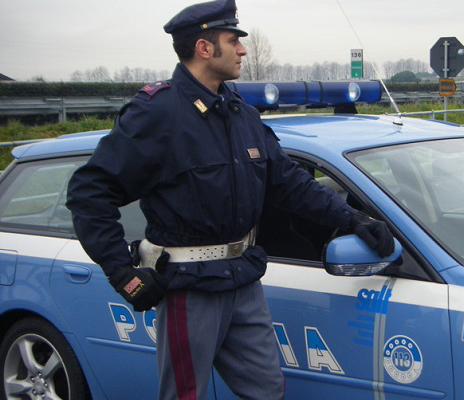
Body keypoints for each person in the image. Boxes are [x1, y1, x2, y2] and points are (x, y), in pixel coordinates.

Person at [66, 1, 394, 399]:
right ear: (204, 48)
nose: (242, 50)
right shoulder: (157, 115)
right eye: (233, 40)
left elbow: (289, 182)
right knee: (185, 394)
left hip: (243, 279)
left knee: (268, 391)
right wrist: (122, 272)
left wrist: (352, 219)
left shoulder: (240, 113)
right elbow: (89, 192)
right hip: (189, 287)